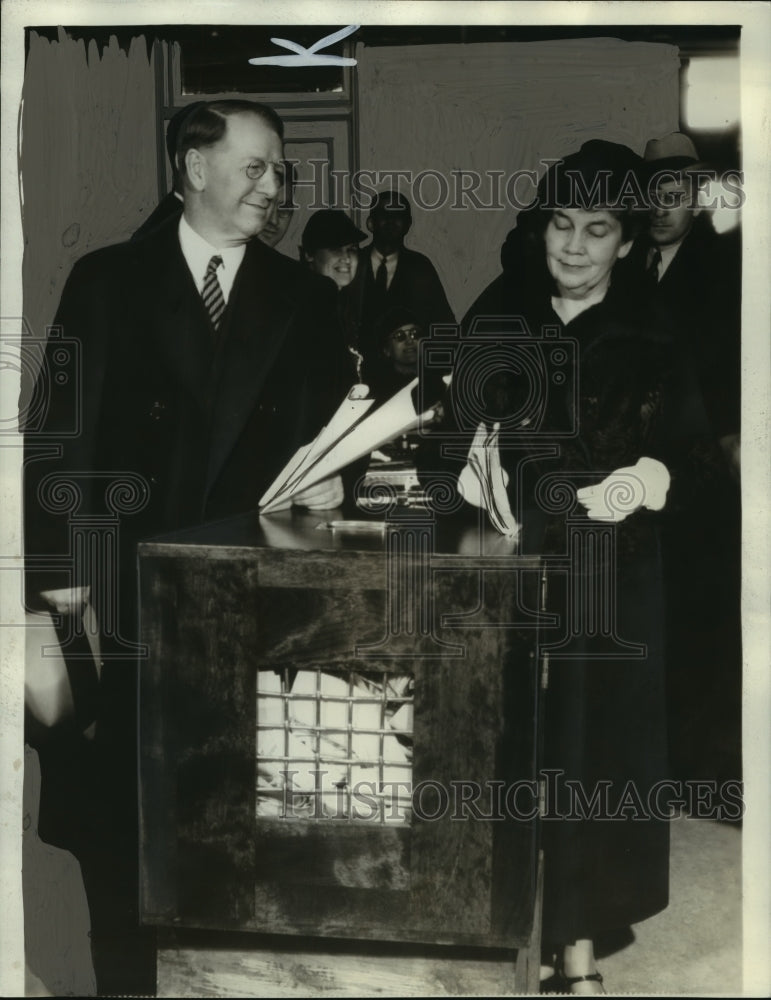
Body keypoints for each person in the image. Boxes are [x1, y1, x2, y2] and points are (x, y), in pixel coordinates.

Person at [24, 98, 350, 995]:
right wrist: (59, 587)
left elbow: (335, 441)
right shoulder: (105, 281)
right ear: (194, 167)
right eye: (256, 167)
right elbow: (60, 442)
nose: (275, 188)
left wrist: (334, 483)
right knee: (120, 825)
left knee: (242, 816)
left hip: (251, 599)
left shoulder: (308, 297)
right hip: (123, 599)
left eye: (280, 171)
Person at [434, 139, 718, 993]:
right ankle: (489, 933)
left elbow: (696, 459)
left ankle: (578, 953)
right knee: (501, 747)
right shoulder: (498, 319)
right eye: (561, 224)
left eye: (597, 230)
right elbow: (449, 437)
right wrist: (468, 467)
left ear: (626, 242)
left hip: (610, 577)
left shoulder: (653, 332)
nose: (573, 246)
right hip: (508, 566)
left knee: (591, 760)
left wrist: (640, 482)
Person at [640, 132, 742, 789]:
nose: (660, 206)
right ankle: (656, 761)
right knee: (654, 614)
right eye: (651, 193)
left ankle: (702, 770)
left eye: (673, 193)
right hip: (645, 469)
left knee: (704, 618)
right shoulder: (627, 266)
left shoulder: (725, 262)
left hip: (706, 461)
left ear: (696, 196)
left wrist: (732, 439)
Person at [348, 190, 455, 378]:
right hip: (357, 379)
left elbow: (443, 328)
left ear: (408, 224)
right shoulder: (353, 263)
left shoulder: (420, 268)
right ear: (370, 223)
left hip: (409, 380)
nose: (391, 220)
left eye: (398, 215)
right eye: (383, 214)